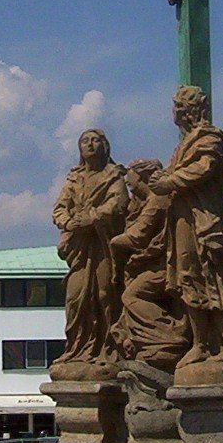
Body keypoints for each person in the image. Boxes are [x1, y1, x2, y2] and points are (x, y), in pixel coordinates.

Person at [148, 85, 223, 384]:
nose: (174, 114)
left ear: (189, 110)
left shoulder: (210, 138)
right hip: (183, 221)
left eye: (178, 108)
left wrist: (169, 181)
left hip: (206, 220)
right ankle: (200, 344)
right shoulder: (182, 145)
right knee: (188, 278)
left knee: (214, 279)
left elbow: (204, 169)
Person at [50, 129, 128, 381]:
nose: (90, 145)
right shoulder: (74, 179)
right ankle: (76, 349)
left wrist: (91, 218)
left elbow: (118, 203)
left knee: (105, 294)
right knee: (75, 298)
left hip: (103, 244)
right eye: (85, 141)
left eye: (95, 140)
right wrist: (68, 221)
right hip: (80, 248)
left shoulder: (113, 175)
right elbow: (59, 208)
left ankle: (109, 348)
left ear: (104, 146)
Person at [110, 158, 190, 370]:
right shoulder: (148, 201)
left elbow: (138, 236)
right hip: (153, 263)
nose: (129, 185)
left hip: (165, 267)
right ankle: (143, 339)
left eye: (131, 180)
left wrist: (113, 242)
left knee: (132, 295)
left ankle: (169, 335)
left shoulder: (157, 199)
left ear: (142, 176)